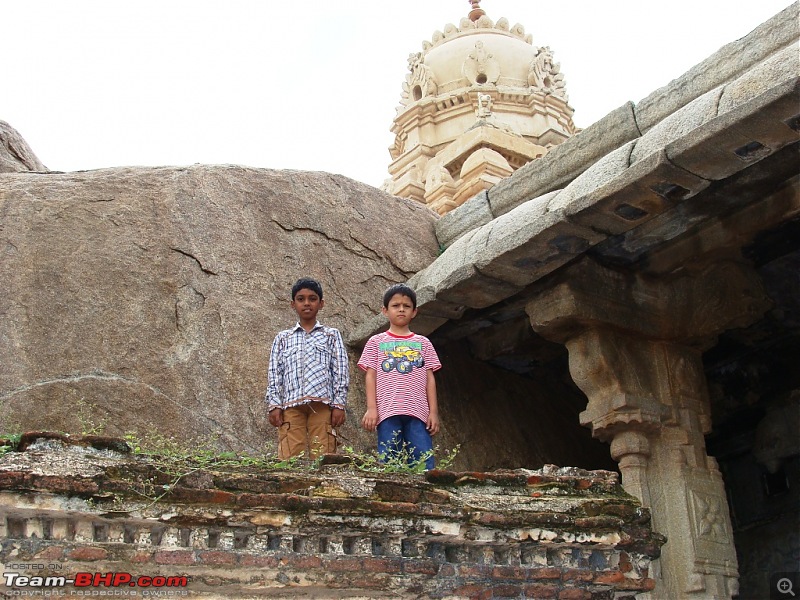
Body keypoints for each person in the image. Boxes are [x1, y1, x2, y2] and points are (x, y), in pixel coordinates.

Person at [358, 283, 441, 470]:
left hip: (418, 412)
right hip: (387, 410)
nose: (401, 309)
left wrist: (433, 412)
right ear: (385, 311)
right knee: (389, 459)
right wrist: (372, 409)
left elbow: (430, 379)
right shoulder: (376, 341)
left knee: (423, 459)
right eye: (395, 305)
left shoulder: (423, 343)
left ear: (414, 312)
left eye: (406, 306)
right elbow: (370, 376)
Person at [265, 278, 349, 459]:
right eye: (301, 299)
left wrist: (339, 405)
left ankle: (324, 487)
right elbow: (274, 373)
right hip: (291, 405)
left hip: (322, 405)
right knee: (289, 454)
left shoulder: (331, 335)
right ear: (293, 304)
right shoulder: (283, 338)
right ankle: (291, 487)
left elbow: (340, 371)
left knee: (323, 454)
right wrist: (274, 405)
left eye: (312, 299)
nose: (307, 303)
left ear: (321, 304)